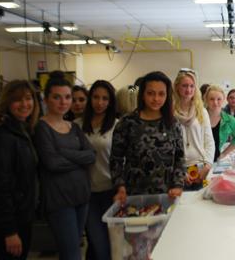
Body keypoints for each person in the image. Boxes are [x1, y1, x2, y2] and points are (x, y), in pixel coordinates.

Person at [33, 71, 95, 260]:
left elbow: (91, 155)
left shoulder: (73, 126)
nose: (63, 102)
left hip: (81, 197)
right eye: (57, 97)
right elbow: (51, 163)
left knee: (72, 250)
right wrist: (78, 158)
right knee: (72, 254)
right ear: (46, 99)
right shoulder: (41, 127)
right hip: (59, 201)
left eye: (67, 97)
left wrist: (64, 153)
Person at [110, 71, 185, 202]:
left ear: (167, 96)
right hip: (133, 196)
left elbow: (180, 158)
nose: (156, 99)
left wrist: (178, 185)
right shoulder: (127, 123)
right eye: (151, 93)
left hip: (167, 195)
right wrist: (119, 186)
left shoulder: (173, 124)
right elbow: (116, 160)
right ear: (142, 95)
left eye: (161, 94)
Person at [0, 80, 40, 260]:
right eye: (17, 100)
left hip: (23, 215)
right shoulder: (3, 136)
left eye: (28, 98)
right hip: (12, 221)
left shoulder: (24, 131)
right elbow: (0, 186)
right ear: (7, 103)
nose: (24, 104)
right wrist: (10, 231)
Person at [77, 80, 117, 260]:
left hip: (111, 191)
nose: (99, 102)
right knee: (97, 243)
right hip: (87, 193)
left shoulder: (117, 125)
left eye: (105, 98)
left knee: (113, 245)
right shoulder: (77, 126)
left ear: (110, 101)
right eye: (95, 97)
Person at [173, 70, 215, 189]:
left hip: (200, 167)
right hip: (179, 169)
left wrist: (207, 166)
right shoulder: (170, 113)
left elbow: (209, 141)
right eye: (184, 86)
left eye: (192, 86)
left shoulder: (201, 111)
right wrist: (179, 171)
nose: (188, 89)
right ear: (177, 87)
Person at [204, 85, 235, 161]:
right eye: (211, 99)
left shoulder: (230, 120)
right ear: (206, 100)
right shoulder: (199, 118)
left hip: (216, 160)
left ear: (224, 100)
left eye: (219, 99)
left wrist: (224, 153)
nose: (215, 102)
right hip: (199, 161)